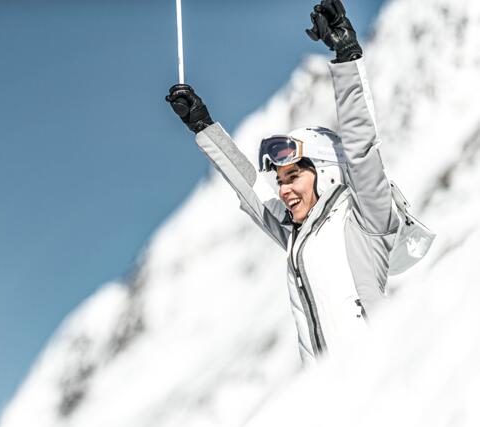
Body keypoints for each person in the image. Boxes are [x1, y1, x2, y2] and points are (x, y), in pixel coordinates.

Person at [166, 0, 434, 364]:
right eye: (280, 180)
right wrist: (202, 125)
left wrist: (345, 53)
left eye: (293, 176)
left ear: (325, 170)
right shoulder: (296, 233)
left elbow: (360, 148)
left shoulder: (365, 218)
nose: (283, 189)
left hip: (374, 381)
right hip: (326, 402)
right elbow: (251, 191)